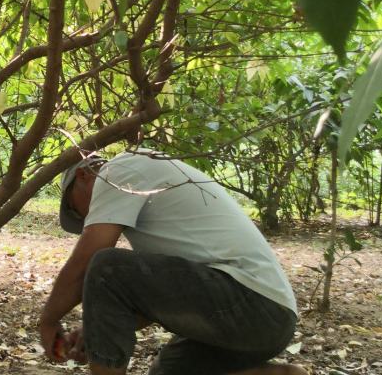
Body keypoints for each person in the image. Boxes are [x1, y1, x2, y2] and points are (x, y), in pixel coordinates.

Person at [39, 149, 308, 375]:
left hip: (253, 304)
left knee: (106, 268)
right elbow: (161, 299)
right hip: (269, 322)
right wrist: (97, 327)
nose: (85, 219)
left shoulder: (118, 171)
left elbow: (86, 263)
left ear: (84, 175)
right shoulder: (148, 182)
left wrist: (49, 319)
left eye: (75, 210)